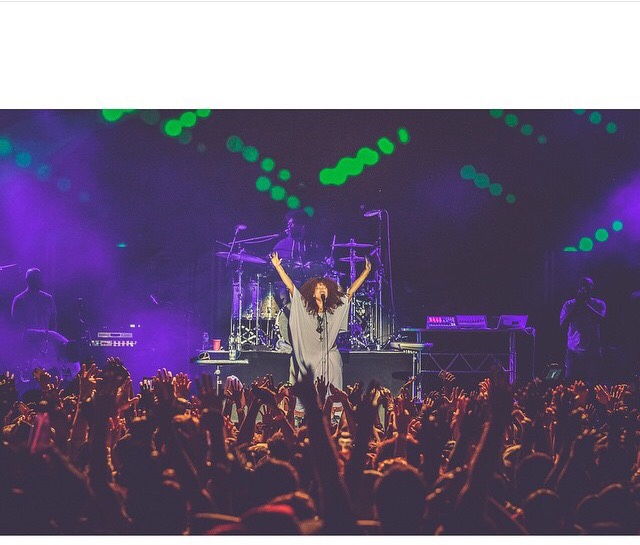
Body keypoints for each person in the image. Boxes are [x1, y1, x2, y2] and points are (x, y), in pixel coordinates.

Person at [269, 250, 371, 391]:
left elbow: (351, 292)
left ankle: (333, 402)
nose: (322, 288)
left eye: (324, 287)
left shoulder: (335, 309)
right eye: (318, 288)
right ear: (312, 293)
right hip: (309, 356)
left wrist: (366, 272)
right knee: (310, 381)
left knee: (334, 361)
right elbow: (291, 287)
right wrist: (278, 267)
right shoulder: (303, 307)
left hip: (329, 355)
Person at [10, 267, 71, 382]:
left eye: (38, 279)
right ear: (27, 280)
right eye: (34, 279)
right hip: (28, 347)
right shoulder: (19, 300)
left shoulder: (48, 299)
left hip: (45, 347)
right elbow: (16, 325)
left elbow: (53, 322)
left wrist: (51, 342)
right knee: (28, 379)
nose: (37, 281)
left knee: (47, 378)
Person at [559, 276, 606, 384]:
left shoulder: (599, 304)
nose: (585, 288)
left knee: (592, 383)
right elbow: (563, 324)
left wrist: (585, 305)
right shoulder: (569, 304)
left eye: (588, 285)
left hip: (592, 350)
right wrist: (577, 305)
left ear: (592, 287)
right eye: (583, 285)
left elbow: (602, 320)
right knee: (571, 382)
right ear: (579, 287)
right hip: (573, 350)